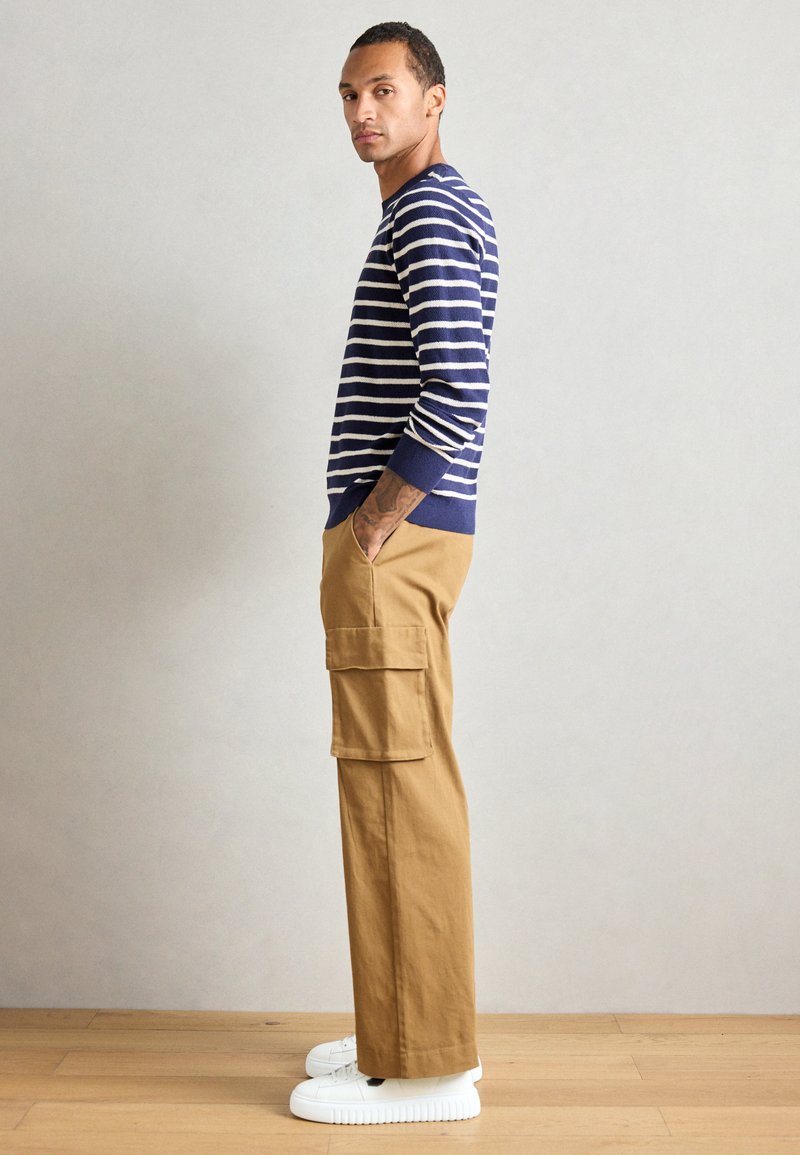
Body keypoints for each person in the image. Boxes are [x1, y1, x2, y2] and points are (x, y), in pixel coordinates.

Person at [289, 20, 499, 1126]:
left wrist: (373, 524)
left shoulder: (425, 213)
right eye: (347, 95)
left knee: (393, 792)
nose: (361, 112)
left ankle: (423, 1067)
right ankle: (400, 1029)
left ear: (434, 99)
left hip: (395, 545)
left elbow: (455, 388)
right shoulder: (432, 209)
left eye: (382, 90)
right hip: (407, 545)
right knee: (397, 781)